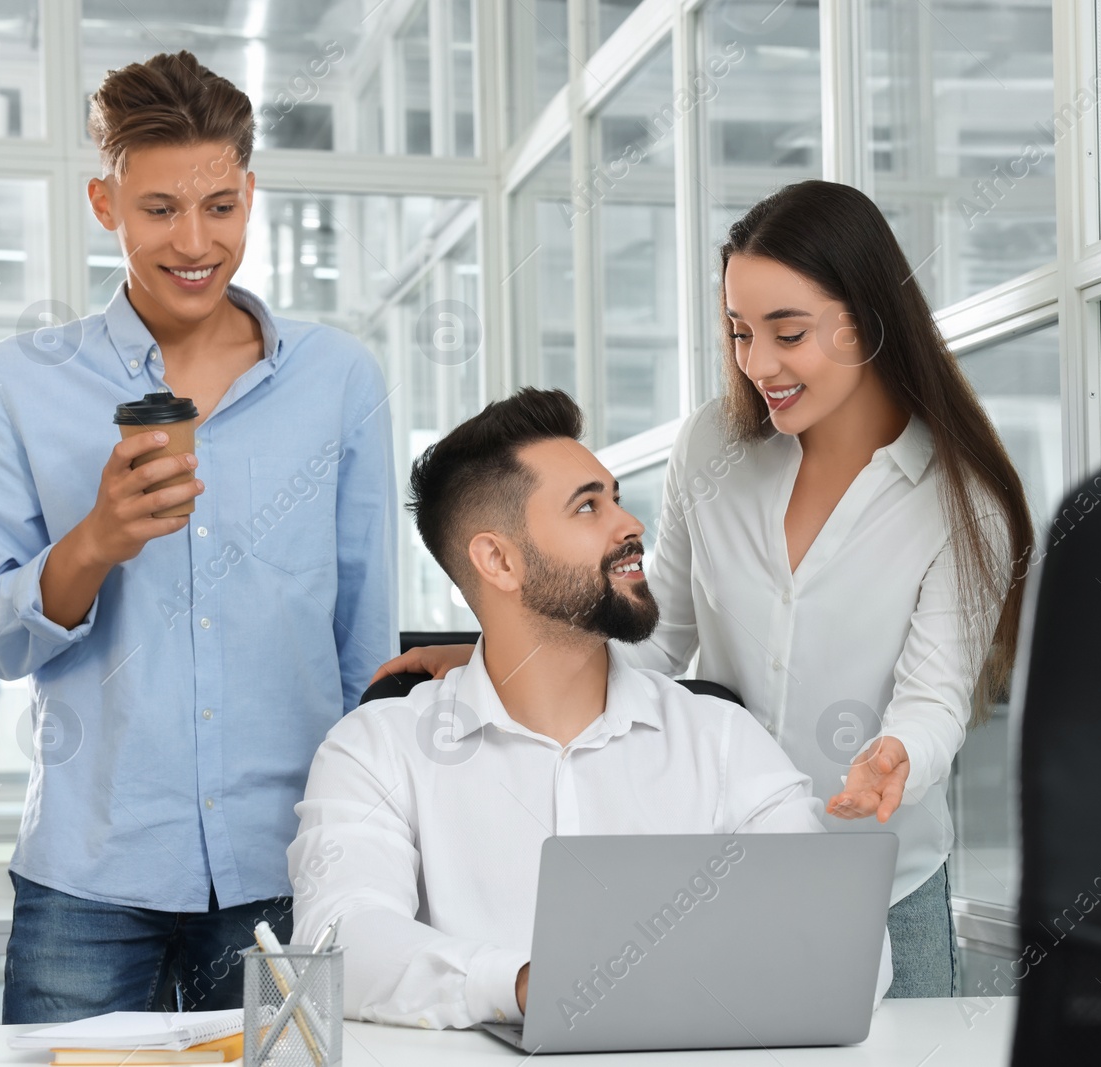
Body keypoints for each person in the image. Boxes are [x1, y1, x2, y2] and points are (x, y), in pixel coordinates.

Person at [369, 180, 1033, 997]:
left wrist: (898, 755)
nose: (758, 364)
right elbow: (658, 638)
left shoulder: (959, 498)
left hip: (881, 883)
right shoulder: (716, 445)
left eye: (787, 333)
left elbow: (934, 699)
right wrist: (501, 660)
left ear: (868, 316)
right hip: (724, 869)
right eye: (740, 331)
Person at [0, 51, 398, 1021]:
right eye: (159, 209)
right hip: (88, 875)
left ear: (250, 194)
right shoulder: (18, 383)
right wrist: (97, 539)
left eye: (221, 206)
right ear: (104, 202)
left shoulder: (339, 381)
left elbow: (366, 643)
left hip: (291, 866)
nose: (195, 241)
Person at [287, 387, 891, 1026]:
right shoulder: (378, 747)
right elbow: (334, 943)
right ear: (498, 560)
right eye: (587, 507)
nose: (630, 525)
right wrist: (526, 985)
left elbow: (848, 947)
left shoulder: (718, 738)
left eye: (617, 499)